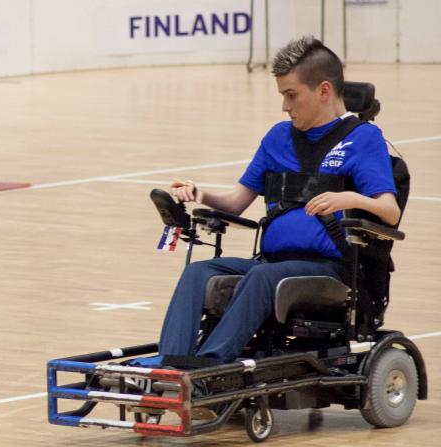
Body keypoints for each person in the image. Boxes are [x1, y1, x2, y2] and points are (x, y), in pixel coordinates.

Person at [157, 36, 400, 365]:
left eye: (291, 95)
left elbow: (389, 210)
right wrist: (200, 193)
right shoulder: (277, 137)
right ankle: (170, 365)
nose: (285, 106)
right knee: (198, 272)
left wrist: (350, 197)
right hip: (271, 263)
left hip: (329, 271)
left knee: (261, 277)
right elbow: (236, 202)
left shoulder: (363, 138)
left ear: (324, 91)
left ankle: (212, 367)